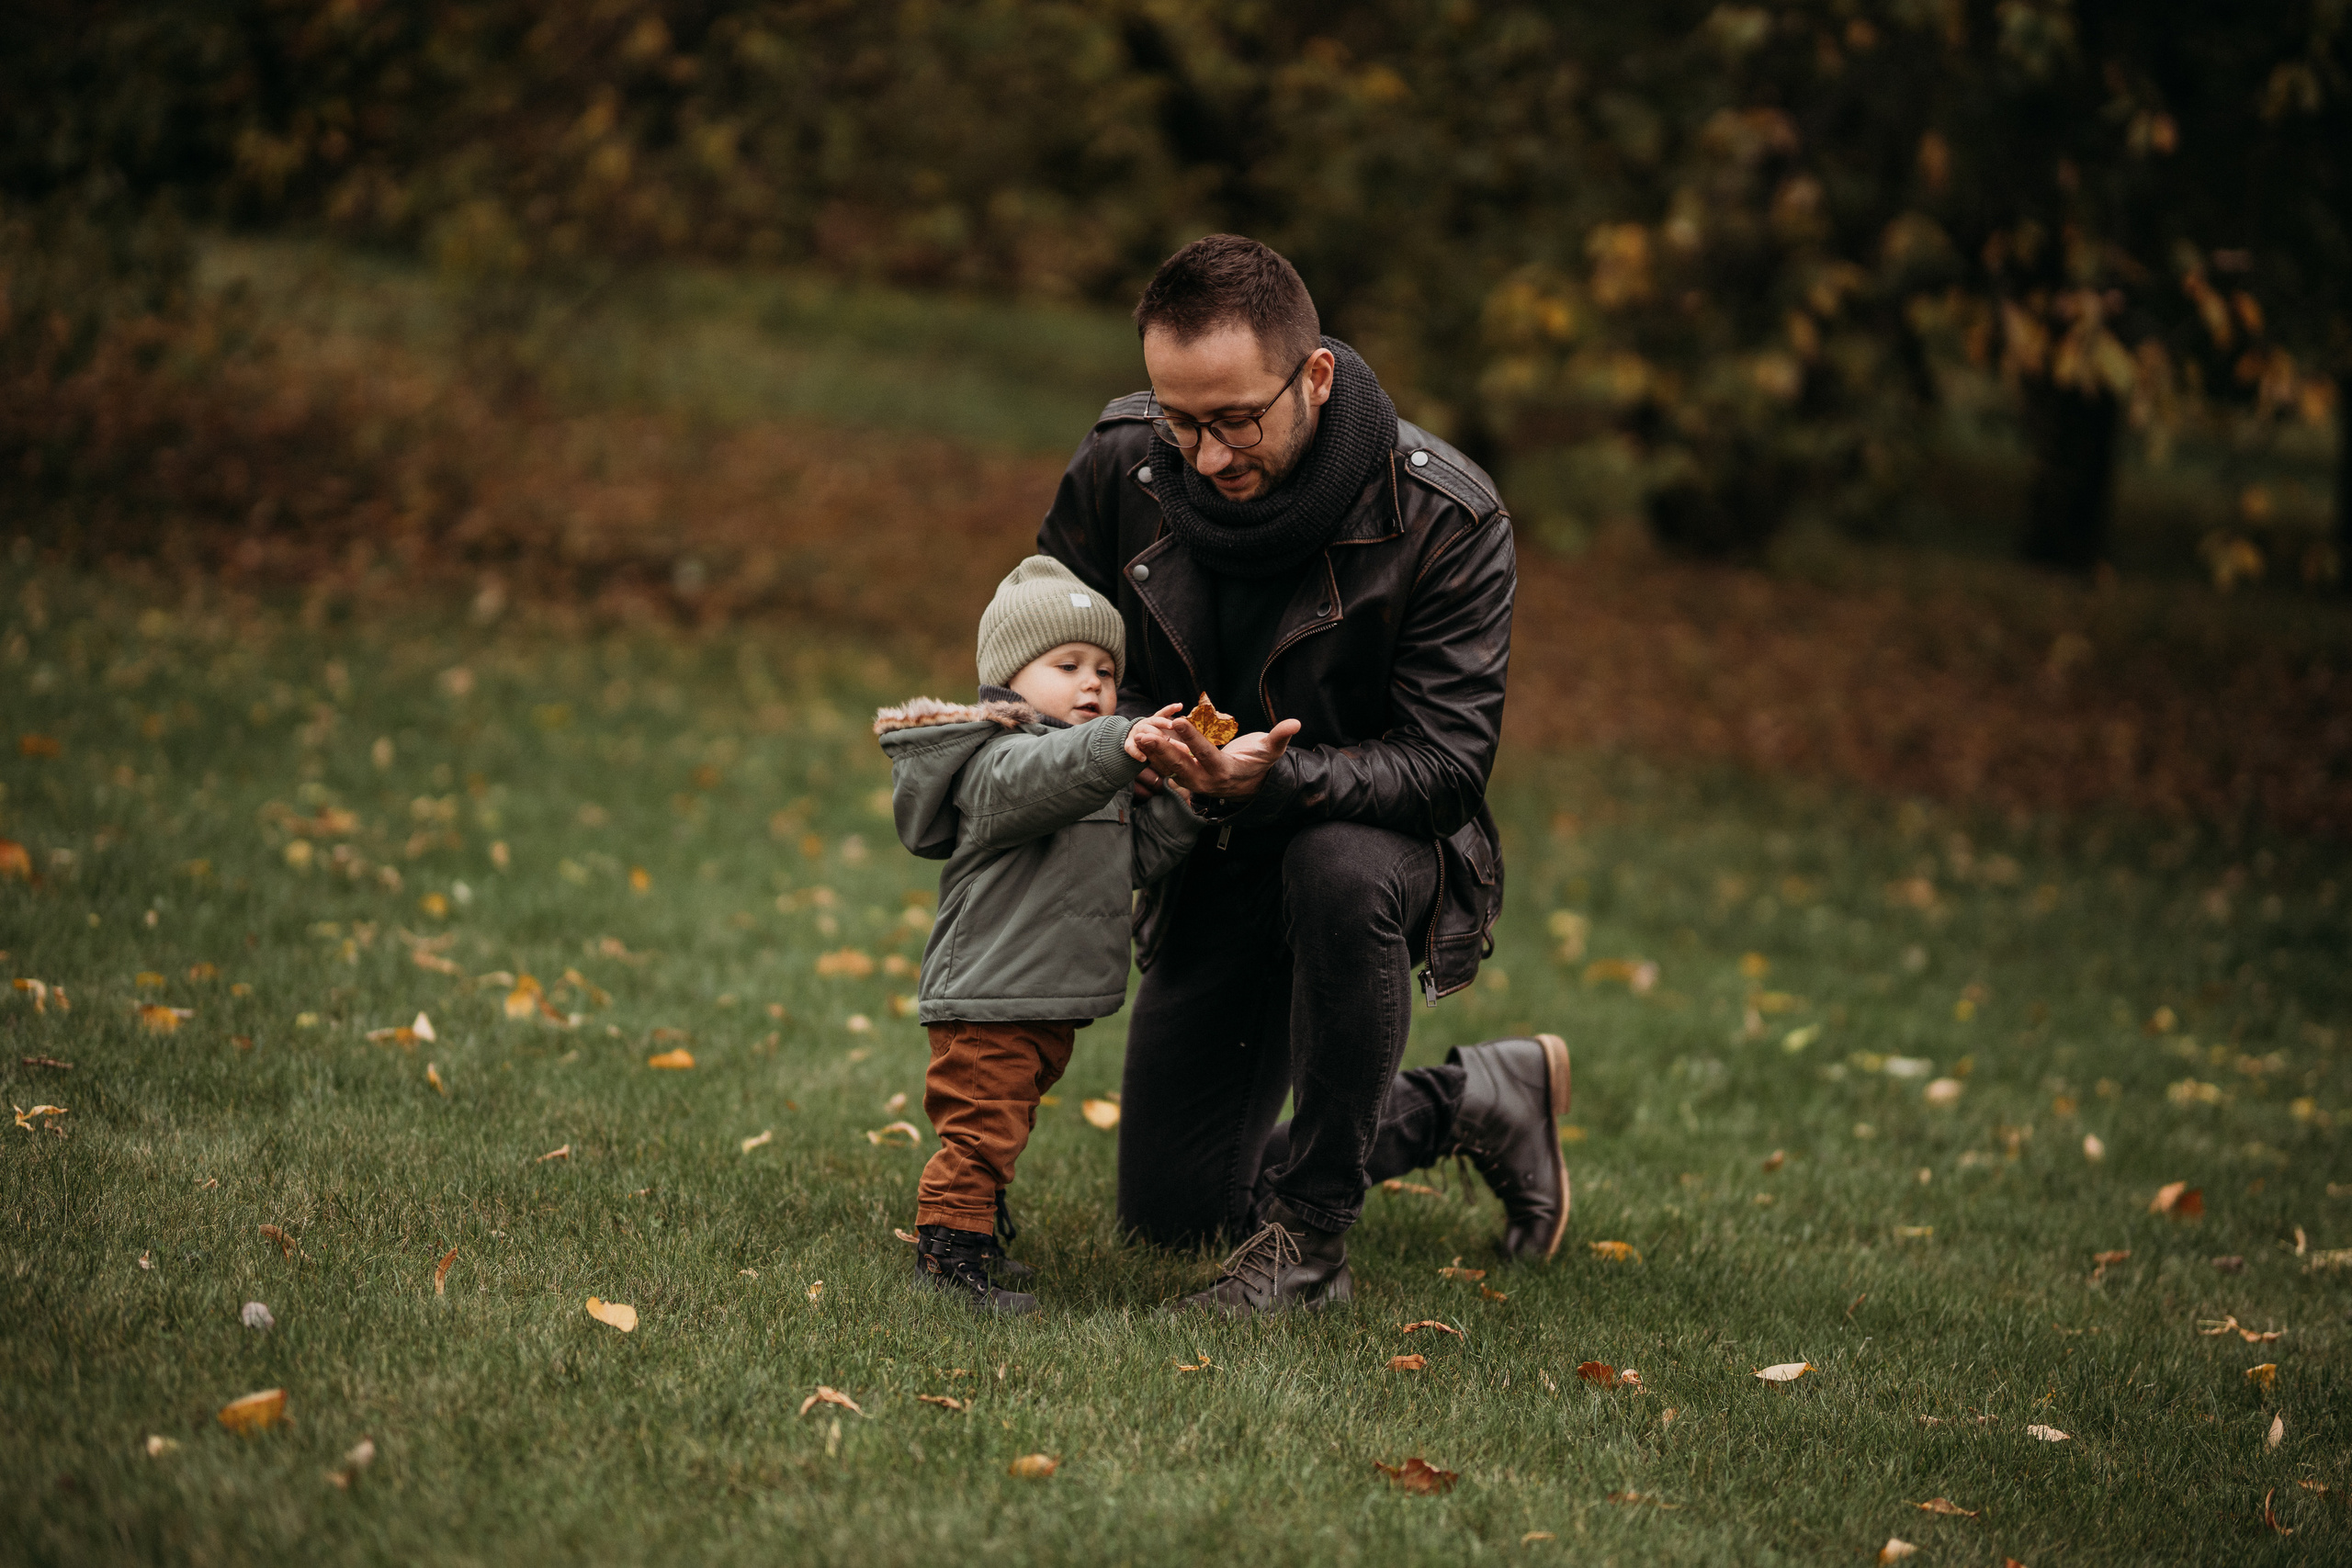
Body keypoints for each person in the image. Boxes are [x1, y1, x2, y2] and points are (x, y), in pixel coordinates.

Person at [1038, 234, 1571, 1316]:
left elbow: (1445, 767)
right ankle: (1473, 1099)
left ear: (1315, 376)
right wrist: (1133, 741)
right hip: (1207, 856)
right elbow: (1044, 661)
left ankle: (1308, 1247)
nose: (1205, 455)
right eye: (1180, 418)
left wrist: (1272, 785)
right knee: (1176, 1217)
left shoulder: (1445, 519)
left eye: (1237, 419)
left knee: (1339, 866)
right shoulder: (1121, 461)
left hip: (1371, 852)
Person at [875, 554, 1203, 1313]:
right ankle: (949, 1256)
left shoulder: (1090, 767)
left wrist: (1192, 800)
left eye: (1106, 670)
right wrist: (1117, 744)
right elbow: (1041, 777)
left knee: (1004, 1122)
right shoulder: (996, 762)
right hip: (989, 993)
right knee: (981, 1131)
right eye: (1068, 664)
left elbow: (1135, 858)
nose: (1094, 684)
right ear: (1008, 682)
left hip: (1040, 995)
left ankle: (976, 1231)